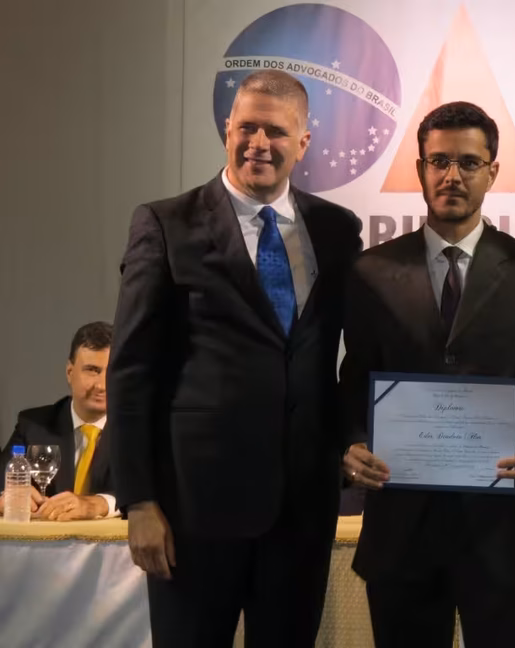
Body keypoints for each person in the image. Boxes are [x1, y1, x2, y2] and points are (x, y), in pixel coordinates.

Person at [107, 70, 361, 647]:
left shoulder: (337, 229)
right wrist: (139, 501)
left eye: (276, 131)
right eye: (247, 127)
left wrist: (355, 437)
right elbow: (131, 371)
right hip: (193, 511)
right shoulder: (166, 223)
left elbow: (351, 356)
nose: (259, 144)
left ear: (304, 142)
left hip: (301, 508)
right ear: (227, 129)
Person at [340, 101, 515, 648]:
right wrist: (349, 445)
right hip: (401, 531)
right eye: (439, 161)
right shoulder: (371, 270)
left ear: (492, 172)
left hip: (501, 533)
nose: (452, 175)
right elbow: (352, 383)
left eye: (469, 162)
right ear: (420, 169)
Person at [0, 321, 115, 520]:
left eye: (112, 372)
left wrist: (100, 504)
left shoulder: (140, 431)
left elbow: (153, 491)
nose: (102, 385)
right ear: (70, 372)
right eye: (92, 370)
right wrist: (8, 496)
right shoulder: (33, 425)